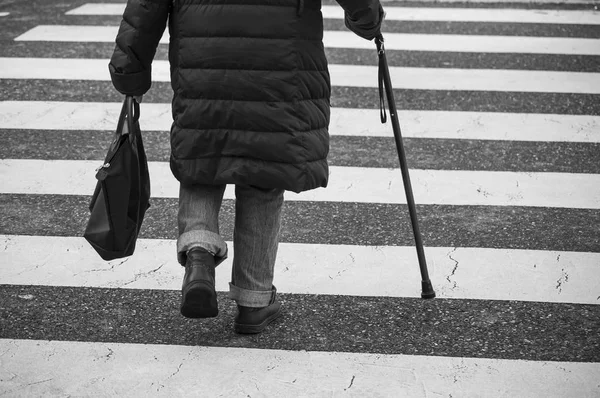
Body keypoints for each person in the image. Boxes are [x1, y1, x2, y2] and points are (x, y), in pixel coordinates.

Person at [109, 0, 384, 334]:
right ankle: (254, 300)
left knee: (202, 161)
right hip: (281, 63)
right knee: (265, 175)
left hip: (204, 58)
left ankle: (198, 253)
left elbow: (146, 6)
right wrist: (368, 19)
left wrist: (130, 71)